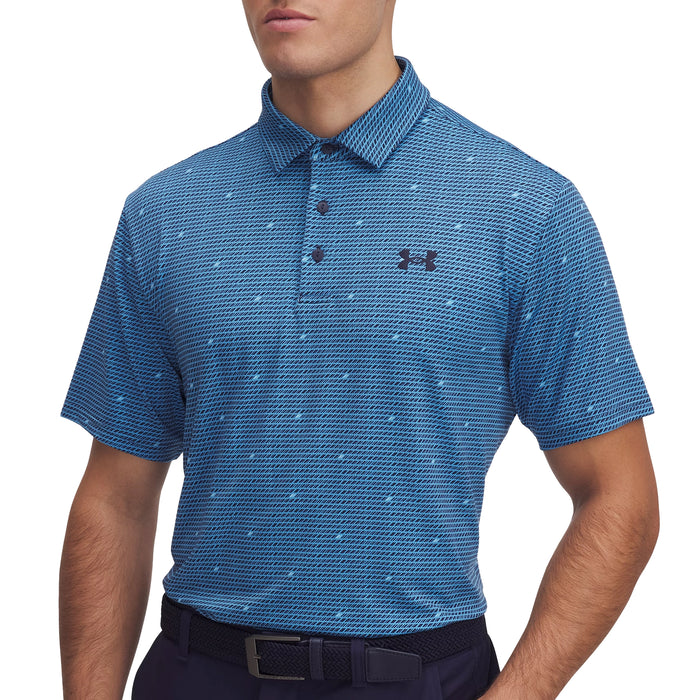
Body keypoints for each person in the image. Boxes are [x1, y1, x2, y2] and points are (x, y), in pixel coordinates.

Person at [58, 1, 660, 698]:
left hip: (421, 677)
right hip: (197, 673)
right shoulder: (165, 213)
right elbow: (116, 497)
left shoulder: (525, 209)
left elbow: (619, 496)